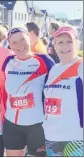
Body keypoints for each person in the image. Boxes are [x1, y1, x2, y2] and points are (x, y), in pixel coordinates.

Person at [1, 27, 55, 157]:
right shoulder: (8, 62)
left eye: (22, 40)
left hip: (37, 125)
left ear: (29, 38)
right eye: (13, 42)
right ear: (9, 45)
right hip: (12, 123)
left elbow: (55, 92)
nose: (19, 45)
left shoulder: (45, 61)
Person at [43, 26, 83, 156]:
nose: (64, 46)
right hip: (52, 135)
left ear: (77, 44)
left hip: (75, 136)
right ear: (54, 46)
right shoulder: (54, 69)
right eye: (60, 42)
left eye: (69, 41)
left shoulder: (81, 67)